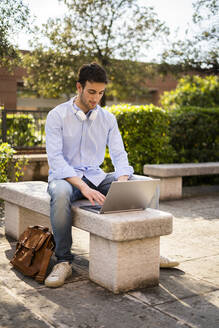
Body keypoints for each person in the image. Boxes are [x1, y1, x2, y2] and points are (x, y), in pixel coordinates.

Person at [45, 62, 179, 288]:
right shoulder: (57, 116)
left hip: (96, 176)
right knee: (59, 195)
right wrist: (84, 188)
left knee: (143, 185)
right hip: (66, 178)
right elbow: (56, 160)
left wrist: (123, 182)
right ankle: (64, 261)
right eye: (91, 92)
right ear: (79, 87)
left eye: (100, 92)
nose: (96, 98)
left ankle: (150, 253)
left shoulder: (108, 119)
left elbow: (119, 154)